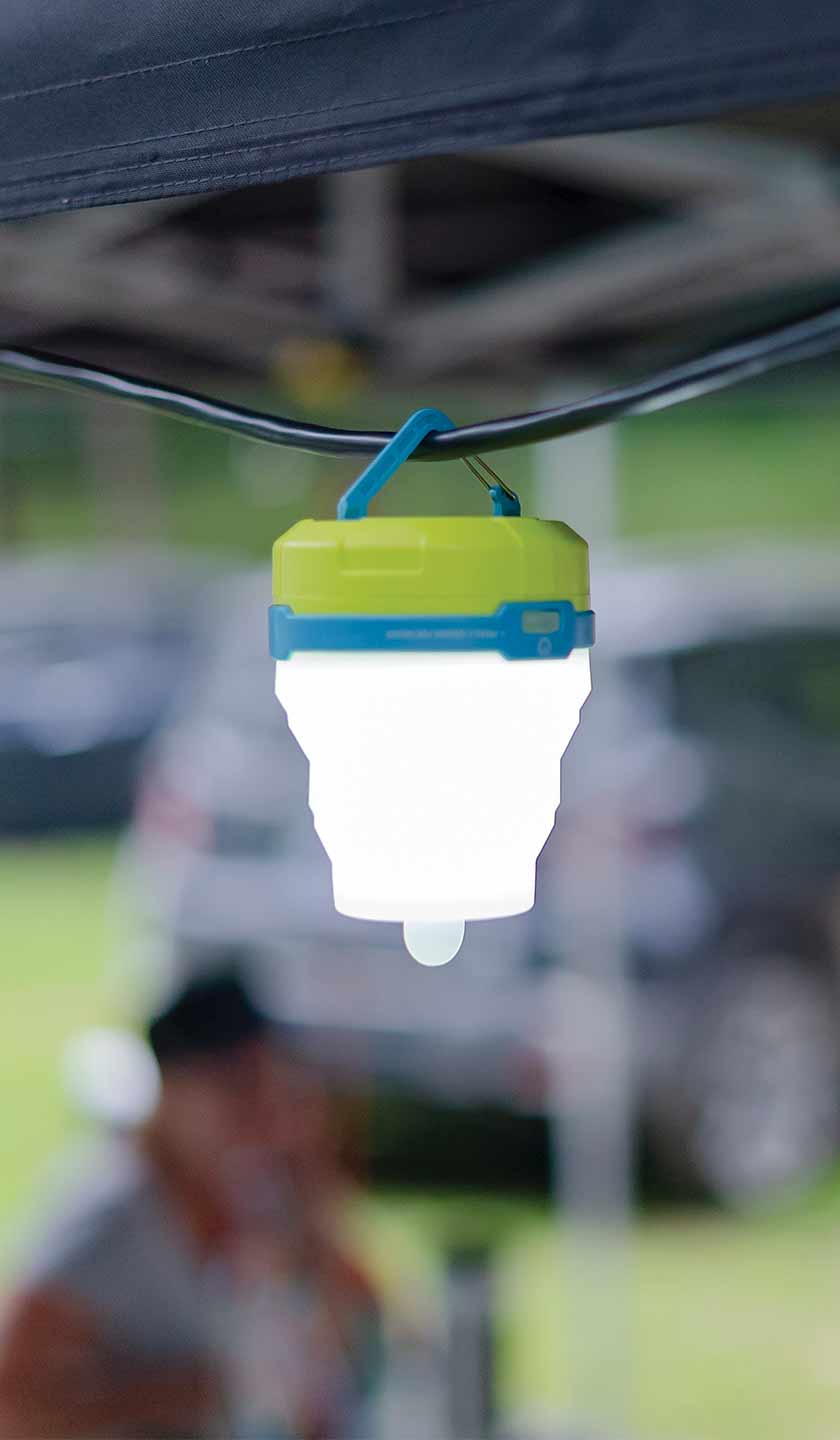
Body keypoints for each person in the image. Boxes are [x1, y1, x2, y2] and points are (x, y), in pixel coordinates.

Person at [0, 969, 381, 1439]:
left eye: (273, 1088)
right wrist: (182, 1393)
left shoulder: (254, 1192)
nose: (264, 1114)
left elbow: (366, 1316)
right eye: (238, 1088)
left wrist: (315, 1209)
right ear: (171, 1091)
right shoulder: (110, 1227)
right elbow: (12, 1404)